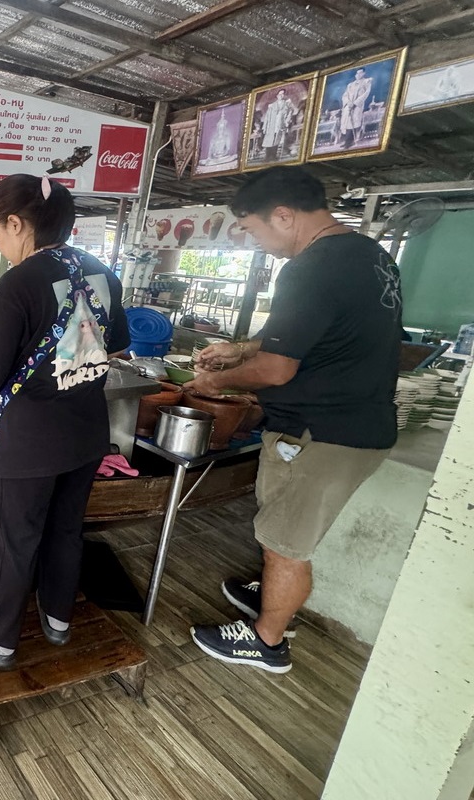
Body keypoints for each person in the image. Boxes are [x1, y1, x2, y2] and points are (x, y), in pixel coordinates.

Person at [185, 166, 401, 674]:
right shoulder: (368, 254)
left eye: (256, 230)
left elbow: (278, 369)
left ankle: (267, 640)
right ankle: (272, 592)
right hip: (354, 427)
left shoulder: (311, 266)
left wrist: (214, 383)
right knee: (280, 530)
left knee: (287, 544)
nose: (258, 243)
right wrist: (240, 348)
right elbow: (308, 332)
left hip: (321, 433)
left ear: (283, 214)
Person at [0, 174, 129, 667]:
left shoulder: (21, 282)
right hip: (86, 432)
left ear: (17, 223)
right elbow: (116, 346)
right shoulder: (101, 270)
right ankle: (57, 619)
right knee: (65, 530)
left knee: (17, 543)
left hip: (30, 441)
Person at [336, 68, 373, 149]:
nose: (358, 75)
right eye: (357, 73)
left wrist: (355, 103)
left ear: (364, 73)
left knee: (353, 122)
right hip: (348, 105)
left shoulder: (366, 82)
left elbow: (366, 93)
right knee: (346, 123)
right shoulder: (350, 85)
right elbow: (345, 95)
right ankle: (347, 141)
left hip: (357, 106)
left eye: (360, 73)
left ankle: (350, 141)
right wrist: (348, 102)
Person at [260, 89, 295, 161]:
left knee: (276, 141)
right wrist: (265, 127)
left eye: (283, 94)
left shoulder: (287, 104)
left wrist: (286, 122)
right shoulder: (272, 106)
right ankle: (267, 156)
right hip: (271, 126)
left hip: (280, 125)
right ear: (277, 96)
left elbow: (289, 113)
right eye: (280, 94)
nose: (281, 95)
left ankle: (273, 156)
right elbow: (267, 117)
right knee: (269, 141)